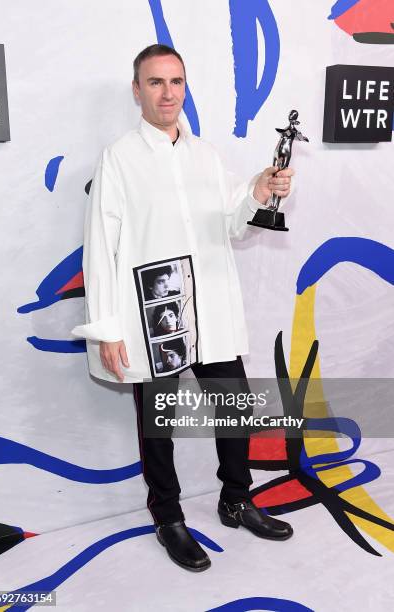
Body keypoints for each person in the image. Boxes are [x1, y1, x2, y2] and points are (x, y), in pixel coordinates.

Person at [71, 44, 295, 572]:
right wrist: (107, 329)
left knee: (233, 406)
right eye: (155, 82)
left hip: (210, 305)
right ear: (137, 90)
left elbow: (231, 223)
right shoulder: (119, 158)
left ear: (185, 87)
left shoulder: (206, 155)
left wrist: (258, 192)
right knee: (159, 423)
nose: (167, 93)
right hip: (153, 314)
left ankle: (236, 499)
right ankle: (168, 518)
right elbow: (100, 246)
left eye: (175, 82)